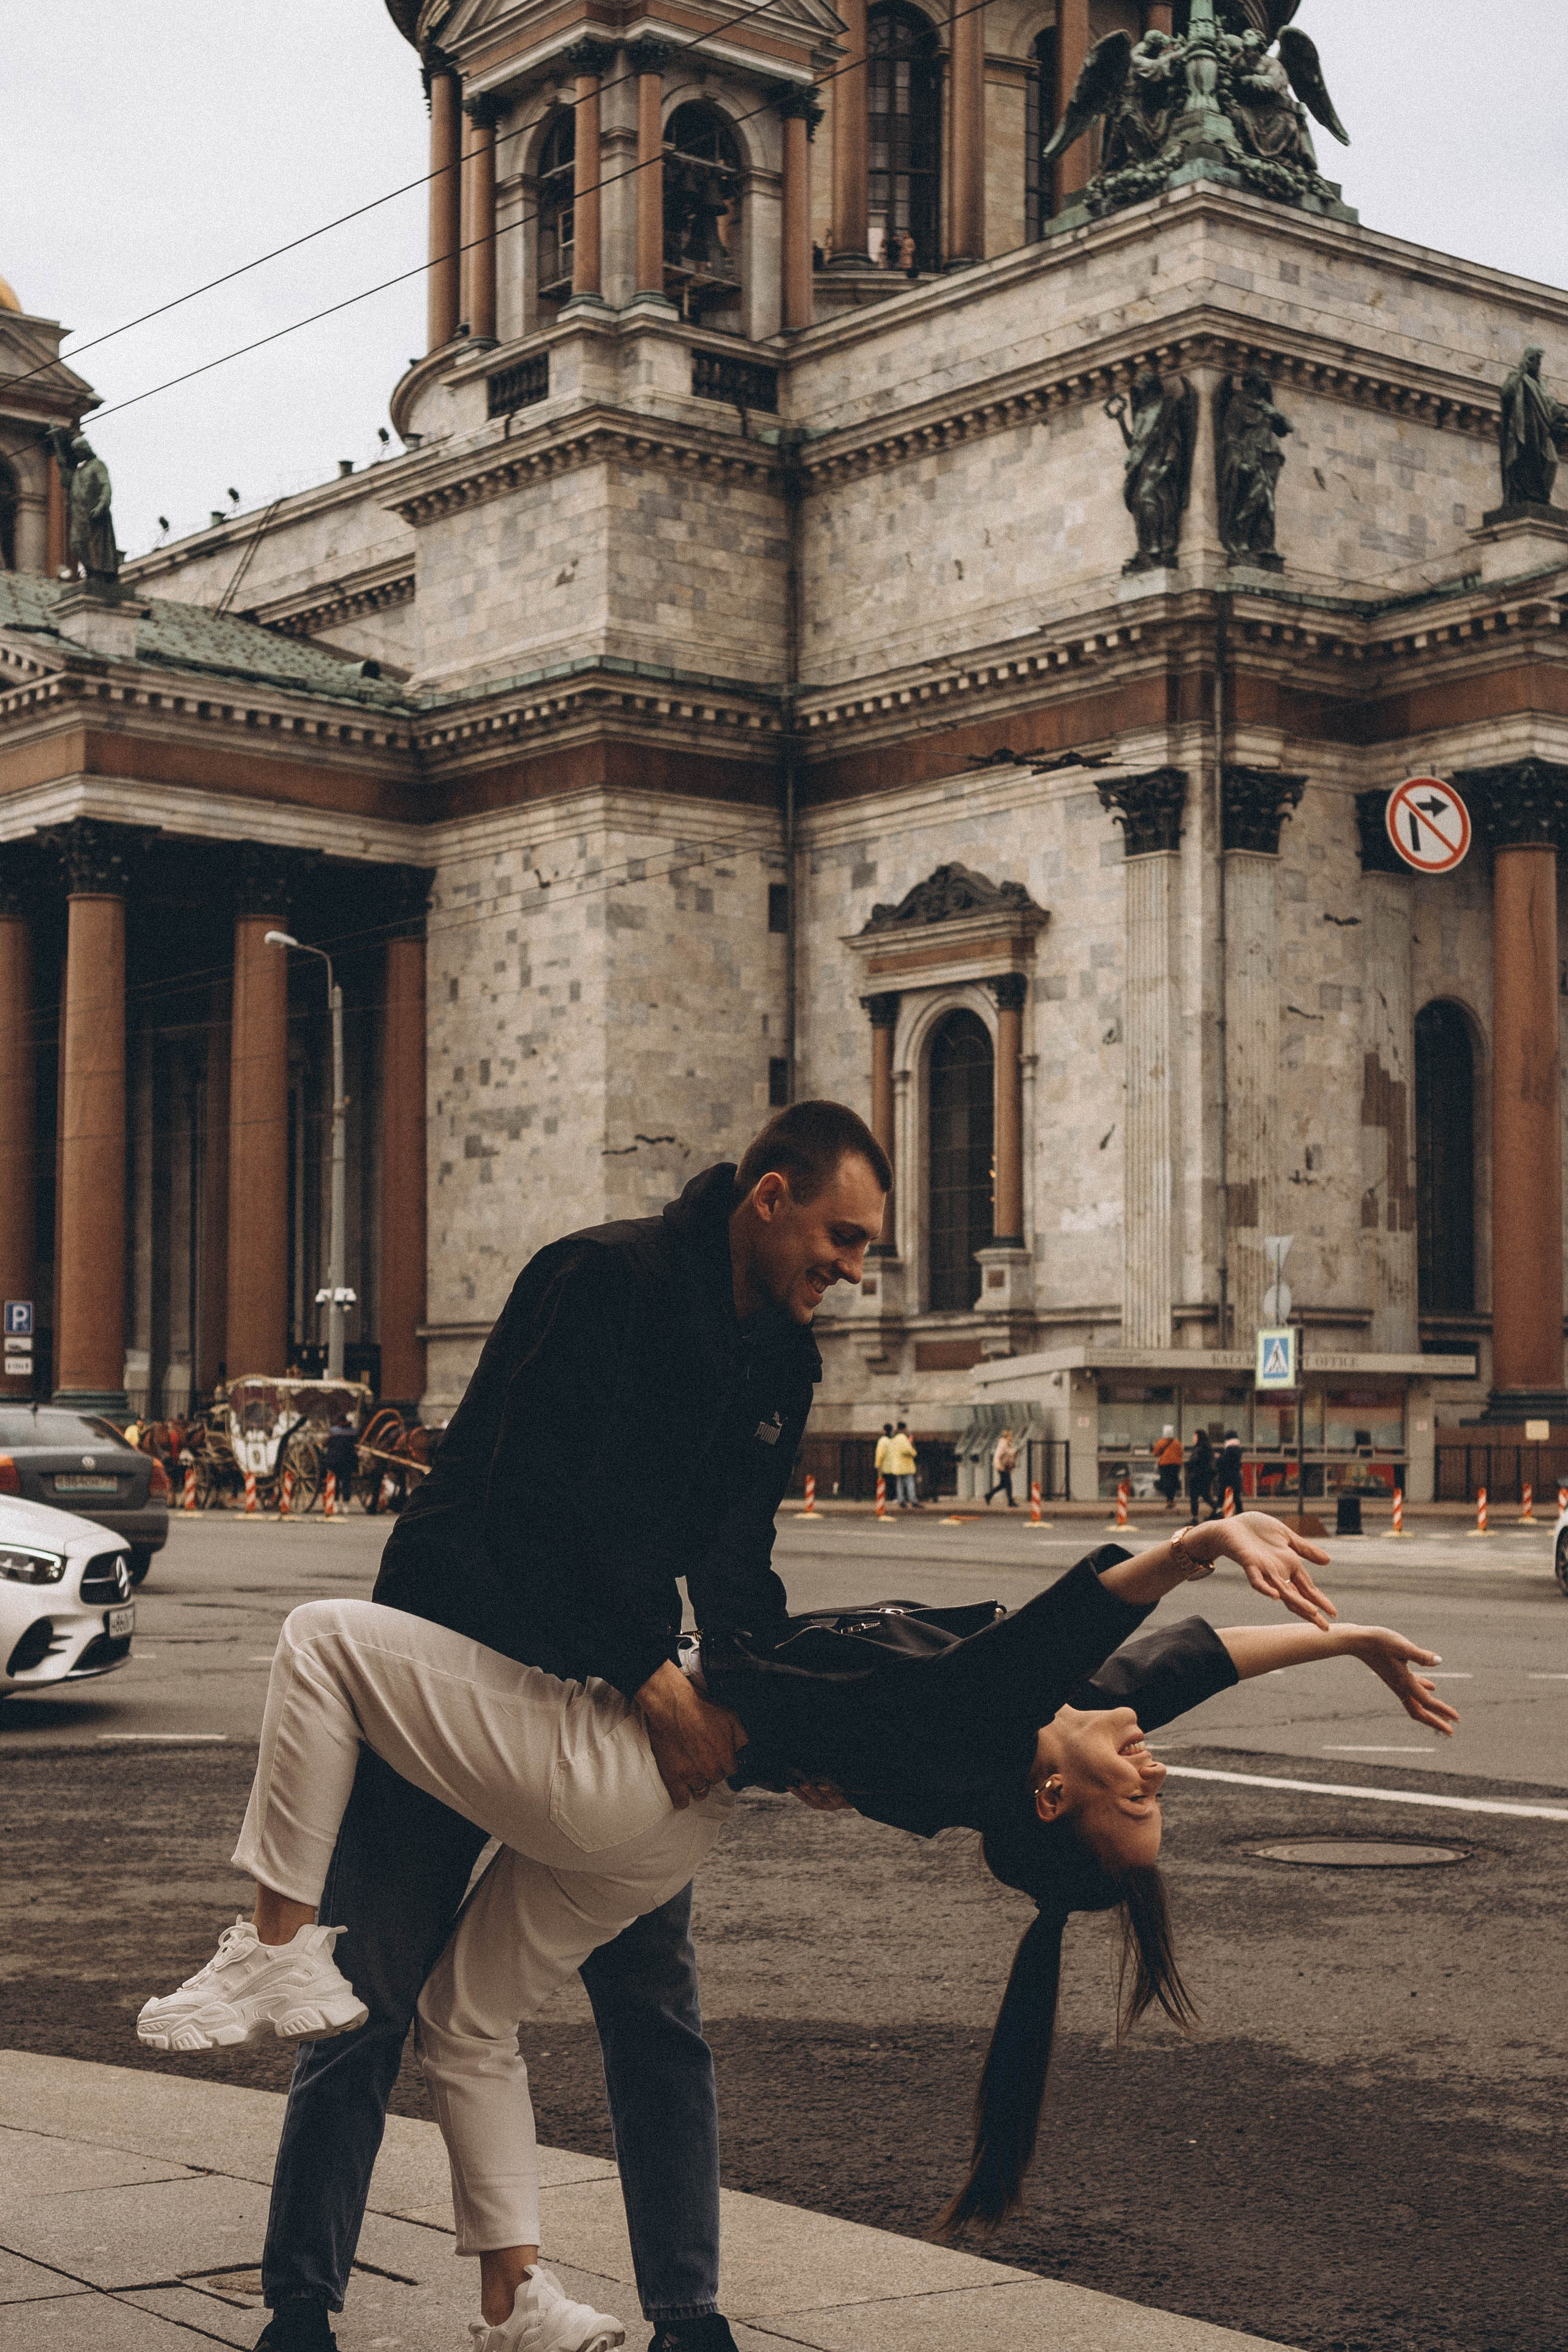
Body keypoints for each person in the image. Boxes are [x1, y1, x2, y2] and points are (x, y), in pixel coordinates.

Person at [142, 1510, 1458, 2318]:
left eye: (1136, 1796)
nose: (1152, 1765)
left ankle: (271, 1947)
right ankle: (516, 2293)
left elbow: (1068, 1628)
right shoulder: (1036, 1747)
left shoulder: (976, 1730)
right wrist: (1351, 1641)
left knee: (321, 1640)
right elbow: (1185, 1664)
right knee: (465, 2021)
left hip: (624, 1764)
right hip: (658, 1826)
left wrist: (1194, 1543)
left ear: (1053, 1802)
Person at [234, 1102, 891, 2352]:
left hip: (605, 1696)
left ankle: (688, 2316)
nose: (849, 1272)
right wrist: (652, 1678)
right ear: (768, 1199)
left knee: (654, 2007)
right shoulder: (602, 1279)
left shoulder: (780, 1363)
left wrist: (786, 1728)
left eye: (864, 1252)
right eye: (840, 1238)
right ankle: (301, 2309)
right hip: (457, 1662)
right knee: (369, 1989)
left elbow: (738, 1573)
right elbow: (519, 1509)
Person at [323, 1417, 358, 1512]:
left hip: (334, 1461)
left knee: (336, 1483)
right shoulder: (353, 1431)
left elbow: (326, 1444)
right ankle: (346, 1505)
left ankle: (335, 1503)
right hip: (348, 1461)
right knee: (346, 1483)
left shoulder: (333, 1431)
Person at [887, 1420, 918, 1508]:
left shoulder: (894, 1438)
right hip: (905, 1464)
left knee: (900, 1484)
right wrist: (914, 1452)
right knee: (910, 1483)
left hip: (897, 1464)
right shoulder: (903, 1438)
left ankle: (901, 1501)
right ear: (904, 1429)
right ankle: (913, 1501)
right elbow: (907, 1450)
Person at [1186, 1427, 1215, 1520]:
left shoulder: (1200, 1448)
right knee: (1206, 1496)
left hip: (1198, 1476)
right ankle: (1218, 1509)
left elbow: (1195, 1461)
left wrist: (1188, 1465)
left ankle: (1195, 1517)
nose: (1193, 1438)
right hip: (1204, 1476)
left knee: (1195, 1497)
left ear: (1199, 1437)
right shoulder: (1206, 1447)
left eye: (1195, 1436)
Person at [986, 1428, 1019, 1508]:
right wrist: (1000, 1466)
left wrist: (1014, 1452)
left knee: (1004, 1484)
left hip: (1003, 1466)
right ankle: (1010, 1502)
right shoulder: (1003, 1444)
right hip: (1002, 1466)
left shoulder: (1006, 1443)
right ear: (1006, 1436)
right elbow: (999, 1455)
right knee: (1008, 1484)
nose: (1012, 1437)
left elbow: (1008, 1452)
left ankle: (989, 1495)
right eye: (1010, 1436)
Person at [1154, 1425, 1184, 1512]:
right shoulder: (1177, 1442)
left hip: (1164, 1465)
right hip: (1175, 1465)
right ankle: (1172, 1499)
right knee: (1173, 1481)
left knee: (1166, 1482)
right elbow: (1181, 1452)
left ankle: (1169, 1500)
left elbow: (1156, 1452)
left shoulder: (1161, 1442)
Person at [1219, 1429, 1245, 1517]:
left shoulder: (1230, 1450)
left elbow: (1223, 1462)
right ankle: (1241, 1515)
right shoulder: (1237, 1449)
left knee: (1222, 1497)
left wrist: (1218, 1458)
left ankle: (1217, 1514)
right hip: (1236, 1477)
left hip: (1228, 1478)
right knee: (1237, 1498)